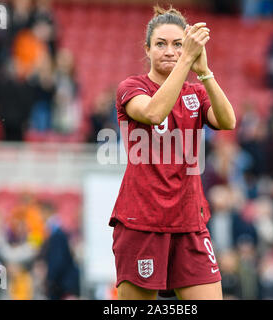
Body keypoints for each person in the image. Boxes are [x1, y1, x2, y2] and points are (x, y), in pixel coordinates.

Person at [109, 5, 236, 300]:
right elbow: (154, 113)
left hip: (190, 223)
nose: (170, 51)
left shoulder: (196, 92)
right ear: (147, 49)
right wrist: (186, 60)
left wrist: (203, 71)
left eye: (178, 44)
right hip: (141, 223)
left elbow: (228, 121)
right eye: (161, 44)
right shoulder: (131, 87)